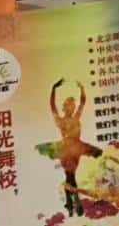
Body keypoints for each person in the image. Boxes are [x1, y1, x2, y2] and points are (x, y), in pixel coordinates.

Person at [37, 79, 102, 216]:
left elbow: (83, 103)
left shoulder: (76, 117)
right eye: (69, 105)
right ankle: (75, 202)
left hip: (77, 147)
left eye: (73, 106)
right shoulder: (60, 120)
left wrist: (82, 88)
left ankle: (70, 203)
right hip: (66, 150)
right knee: (70, 176)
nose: (72, 108)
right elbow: (52, 107)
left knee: (71, 177)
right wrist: (53, 89)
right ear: (65, 108)